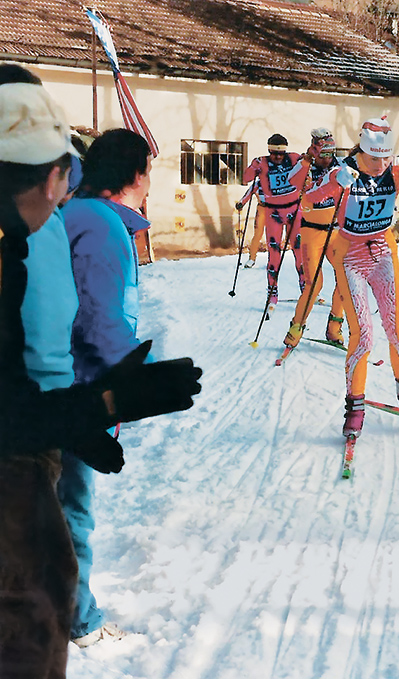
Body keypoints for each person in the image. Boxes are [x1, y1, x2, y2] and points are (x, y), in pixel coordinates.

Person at [0, 74, 201, 678]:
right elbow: (85, 323)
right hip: (28, 449)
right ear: (54, 174)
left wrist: (81, 412)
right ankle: (81, 617)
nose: (66, 191)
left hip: (47, 411)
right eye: (63, 173)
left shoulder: (22, 241)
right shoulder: (35, 240)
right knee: (41, 580)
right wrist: (102, 402)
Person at [59, 128, 166, 646]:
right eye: (150, 172)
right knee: (69, 510)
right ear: (136, 175)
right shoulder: (103, 228)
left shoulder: (72, 214)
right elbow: (104, 318)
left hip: (46, 381)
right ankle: (78, 620)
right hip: (73, 388)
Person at [310, 116, 399, 437]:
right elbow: (307, 201)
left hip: (382, 253)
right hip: (350, 256)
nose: (380, 165)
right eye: (374, 158)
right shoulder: (344, 170)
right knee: (364, 336)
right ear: (361, 151)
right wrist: (334, 184)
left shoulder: (395, 168)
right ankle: (354, 406)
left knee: (397, 327)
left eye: (385, 157)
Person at [283, 135, 348, 350]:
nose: (328, 159)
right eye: (323, 155)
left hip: (336, 231)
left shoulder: (340, 167)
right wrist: (307, 161)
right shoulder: (304, 166)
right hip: (312, 232)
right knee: (314, 284)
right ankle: (295, 329)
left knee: (345, 277)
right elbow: (292, 181)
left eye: (331, 154)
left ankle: (334, 328)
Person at [242, 133, 308, 306]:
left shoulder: (293, 158)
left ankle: (306, 288)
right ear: (268, 151)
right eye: (274, 153)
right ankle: (272, 291)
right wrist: (253, 167)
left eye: (281, 154)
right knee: (274, 253)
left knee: (299, 250)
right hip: (274, 213)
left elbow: (310, 163)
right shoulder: (262, 162)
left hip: (294, 209)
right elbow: (246, 178)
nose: (278, 157)